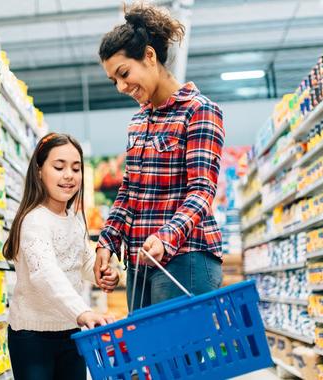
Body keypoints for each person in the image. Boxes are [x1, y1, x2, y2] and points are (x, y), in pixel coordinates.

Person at [94, 3, 225, 310]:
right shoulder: (138, 122)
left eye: (124, 73)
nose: (122, 86)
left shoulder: (199, 111)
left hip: (185, 258)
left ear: (149, 56)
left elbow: (202, 191)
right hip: (141, 261)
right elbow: (129, 192)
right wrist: (107, 242)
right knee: (147, 357)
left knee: (181, 358)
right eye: (114, 80)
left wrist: (166, 237)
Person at [4, 133, 119, 380]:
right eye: (59, 167)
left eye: (76, 169)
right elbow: (45, 274)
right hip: (33, 336)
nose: (69, 175)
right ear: (38, 171)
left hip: (70, 331)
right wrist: (83, 311)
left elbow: (82, 261)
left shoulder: (74, 219)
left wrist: (102, 272)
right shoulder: (34, 220)